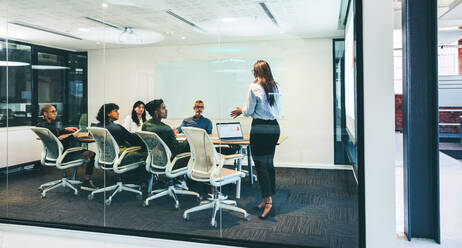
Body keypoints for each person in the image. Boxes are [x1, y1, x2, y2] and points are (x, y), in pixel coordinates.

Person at [230, 60, 281, 220]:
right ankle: (268, 197)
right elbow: (277, 110)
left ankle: (268, 201)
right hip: (274, 127)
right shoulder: (276, 86)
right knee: (268, 163)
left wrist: (241, 110)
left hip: (260, 129)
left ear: (255, 72)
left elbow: (250, 110)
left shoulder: (254, 87)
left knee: (260, 166)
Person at [36, 104, 97, 190]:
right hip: (64, 155)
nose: (55, 113)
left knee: (78, 149)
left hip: (52, 155)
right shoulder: (48, 127)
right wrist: (73, 136)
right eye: (52, 112)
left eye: (56, 111)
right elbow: (60, 140)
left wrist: (65, 130)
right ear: (45, 114)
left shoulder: (41, 125)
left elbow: (55, 135)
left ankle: (75, 177)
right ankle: (87, 181)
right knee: (91, 154)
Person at [92, 103, 148, 186]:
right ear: (108, 113)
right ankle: (143, 182)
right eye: (115, 111)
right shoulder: (116, 128)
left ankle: (130, 177)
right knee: (146, 153)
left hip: (104, 158)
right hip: (118, 158)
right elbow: (134, 139)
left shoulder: (96, 126)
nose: (118, 113)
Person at [143, 99, 189, 190]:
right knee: (191, 147)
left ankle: (176, 179)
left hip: (154, 161)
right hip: (169, 162)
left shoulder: (145, 125)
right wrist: (187, 141)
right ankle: (182, 180)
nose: (166, 110)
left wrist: (171, 136)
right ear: (156, 112)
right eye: (163, 108)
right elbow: (177, 149)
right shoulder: (166, 129)